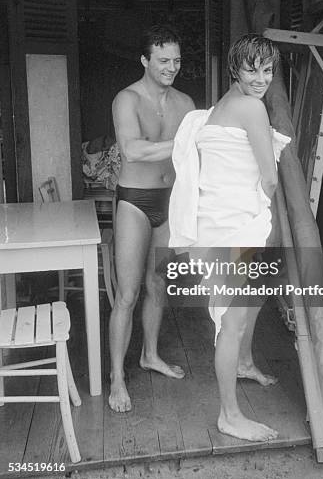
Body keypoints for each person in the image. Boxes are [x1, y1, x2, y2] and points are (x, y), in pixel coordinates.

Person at [168, 34, 290, 442]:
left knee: (245, 305)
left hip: (216, 224)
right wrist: (261, 208)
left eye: (268, 69)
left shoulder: (218, 108)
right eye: (252, 68)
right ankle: (230, 415)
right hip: (235, 224)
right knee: (232, 320)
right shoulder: (252, 107)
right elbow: (269, 177)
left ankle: (245, 364)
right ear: (236, 68)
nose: (261, 78)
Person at [109, 25, 195, 413]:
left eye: (176, 60)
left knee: (158, 284)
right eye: (163, 60)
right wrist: (182, 144)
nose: (171, 67)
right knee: (127, 294)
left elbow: (197, 156)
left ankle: (150, 355)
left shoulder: (186, 103)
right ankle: (116, 378)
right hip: (135, 201)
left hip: (170, 199)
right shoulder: (126, 99)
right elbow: (132, 151)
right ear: (145, 60)